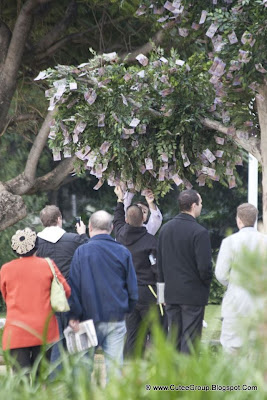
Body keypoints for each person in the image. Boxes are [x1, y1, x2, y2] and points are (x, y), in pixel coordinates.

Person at [68, 210, 138, 381]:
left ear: (90, 227)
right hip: (115, 316)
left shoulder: (81, 252)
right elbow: (132, 288)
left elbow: (74, 286)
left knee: (83, 371)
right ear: (112, 227)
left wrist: (73, 314)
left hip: (86, 318)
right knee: (114, 369)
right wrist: (127, 308)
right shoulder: (123, 252)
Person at [0, 228, 70, 372]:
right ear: (36, 246)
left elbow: (5, 295)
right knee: (41, 377)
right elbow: (66, 291)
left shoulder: (6, 269)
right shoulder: (48, 265)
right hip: (44, 330)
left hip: (17, 330)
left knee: (21, 379)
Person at [157, 189, 212, 354]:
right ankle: (187, 379)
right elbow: (204, 268)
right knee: (190, 340)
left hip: (170, 294)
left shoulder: (165, 230)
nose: (201, 206)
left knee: (173, 339)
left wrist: (161, 294)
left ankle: (171, 378)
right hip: (193, 295)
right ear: (194, 205)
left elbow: (160, 264)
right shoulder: (199, 232)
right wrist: (205, 284)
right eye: (200, 203)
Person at [114, 186, 166, 357]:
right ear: (144, 218)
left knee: (132, 334)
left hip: (127, 293)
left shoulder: (120, 234)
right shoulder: (151, 241)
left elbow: (117, 218)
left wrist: (121, 199)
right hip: (147, 293)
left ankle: (130, 371)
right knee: (158, 333)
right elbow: (158, 270)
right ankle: (162, 368)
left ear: (127, 220)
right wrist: (163, 296)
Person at [36, 205, 88, 365]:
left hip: (47, 298)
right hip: (71, 296)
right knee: (78, 346)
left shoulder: (35, 242)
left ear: (43, 222)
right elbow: (89, 253)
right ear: (59, 219)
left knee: (54, 345)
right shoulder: (74, 239)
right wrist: (83, 234)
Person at [215, 203, 267, 354]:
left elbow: (220, 273)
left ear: (238, 220)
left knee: (232, 350)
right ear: (255, 219)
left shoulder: (229, 242)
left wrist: (233, 284)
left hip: (235, 302)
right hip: (260, 303)